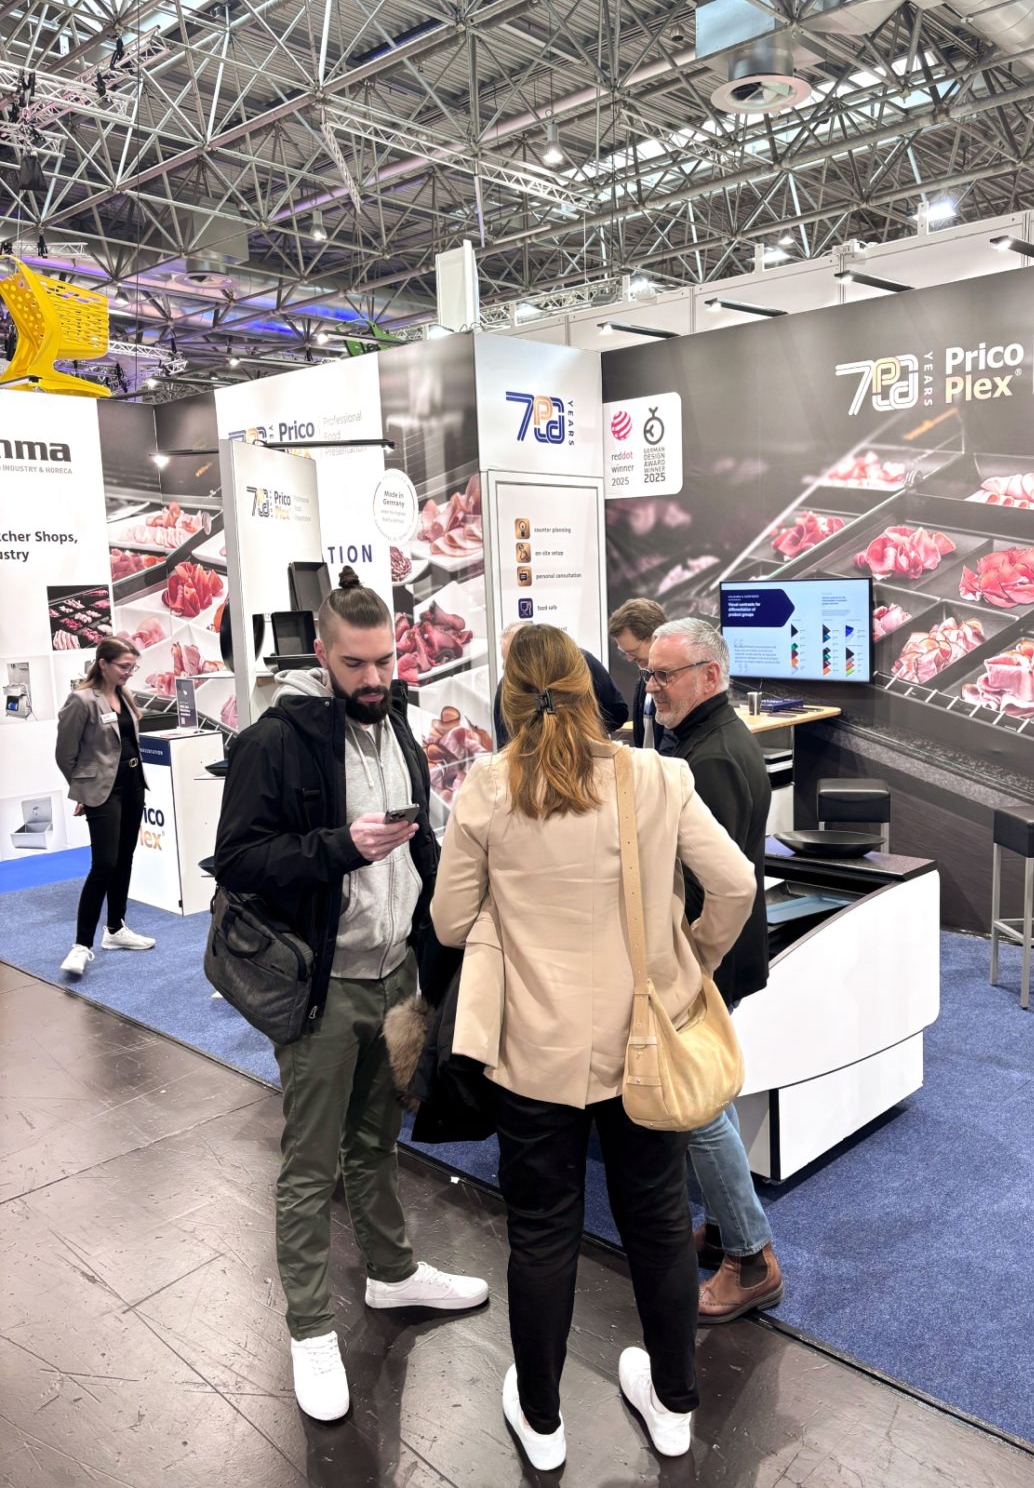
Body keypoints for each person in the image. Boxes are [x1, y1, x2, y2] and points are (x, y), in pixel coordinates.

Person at [432, 624, 755, 1471]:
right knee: (659, 1223)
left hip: (530, 1050)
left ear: (509, 701)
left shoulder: (487, 787)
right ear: (590, 692)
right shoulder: (655, 776)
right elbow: (735, 884)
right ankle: (674, 1404)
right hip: (644, 1040)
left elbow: (449, 923)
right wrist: (690, 961)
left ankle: (542, 1422)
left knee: (542, 1233)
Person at [213, 567, 488, 1423]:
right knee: (309, 1164)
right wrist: (337, 846)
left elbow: (419, 842)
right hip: (323, 986)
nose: (373, 679)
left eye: (384, 662)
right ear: (324, 656)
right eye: (356, 664)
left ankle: (392, 1272)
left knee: (375, 1141)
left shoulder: (398, 723)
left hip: (394, 976)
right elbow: (238, 861)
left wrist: (450, 925)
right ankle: (308, 1329)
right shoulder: (275, 740)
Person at [645, 616, 782, 1324]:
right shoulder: (709, 742)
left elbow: (718, 884)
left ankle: (751, 1260)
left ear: (711, 675)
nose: (653, 687)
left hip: (710, 956)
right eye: (650, 673)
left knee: (698, 1107)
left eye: (665, 674)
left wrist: (690, 955)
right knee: (712, 1097)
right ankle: (729, 1229)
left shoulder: (712, 758)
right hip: (717, 954)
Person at [54, 636, 156, 978]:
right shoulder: (82, 699)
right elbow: (64, 753)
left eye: (132, 667)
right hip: (103, 791)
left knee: (125, 858)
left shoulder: (124, 695)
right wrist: (82, 789)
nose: (129, 672)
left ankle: (115, 928)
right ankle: (81, 945)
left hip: (133, 784)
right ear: (103, 664)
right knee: (104, 864)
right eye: (124, 666)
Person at [491, 620, 628, 747]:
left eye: (518, 657)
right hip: (530, 762)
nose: (514, 668)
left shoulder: (582, 662)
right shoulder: (506, 687)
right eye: (508, 663)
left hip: (588, 754)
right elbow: (504, 743)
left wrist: (583, 735)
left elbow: (617, 711)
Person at [608, 597, 667, 751]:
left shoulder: (677, 683)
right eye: (625, 652)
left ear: (655, 637)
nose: (629, 659)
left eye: (633, 651)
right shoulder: (644, 677)